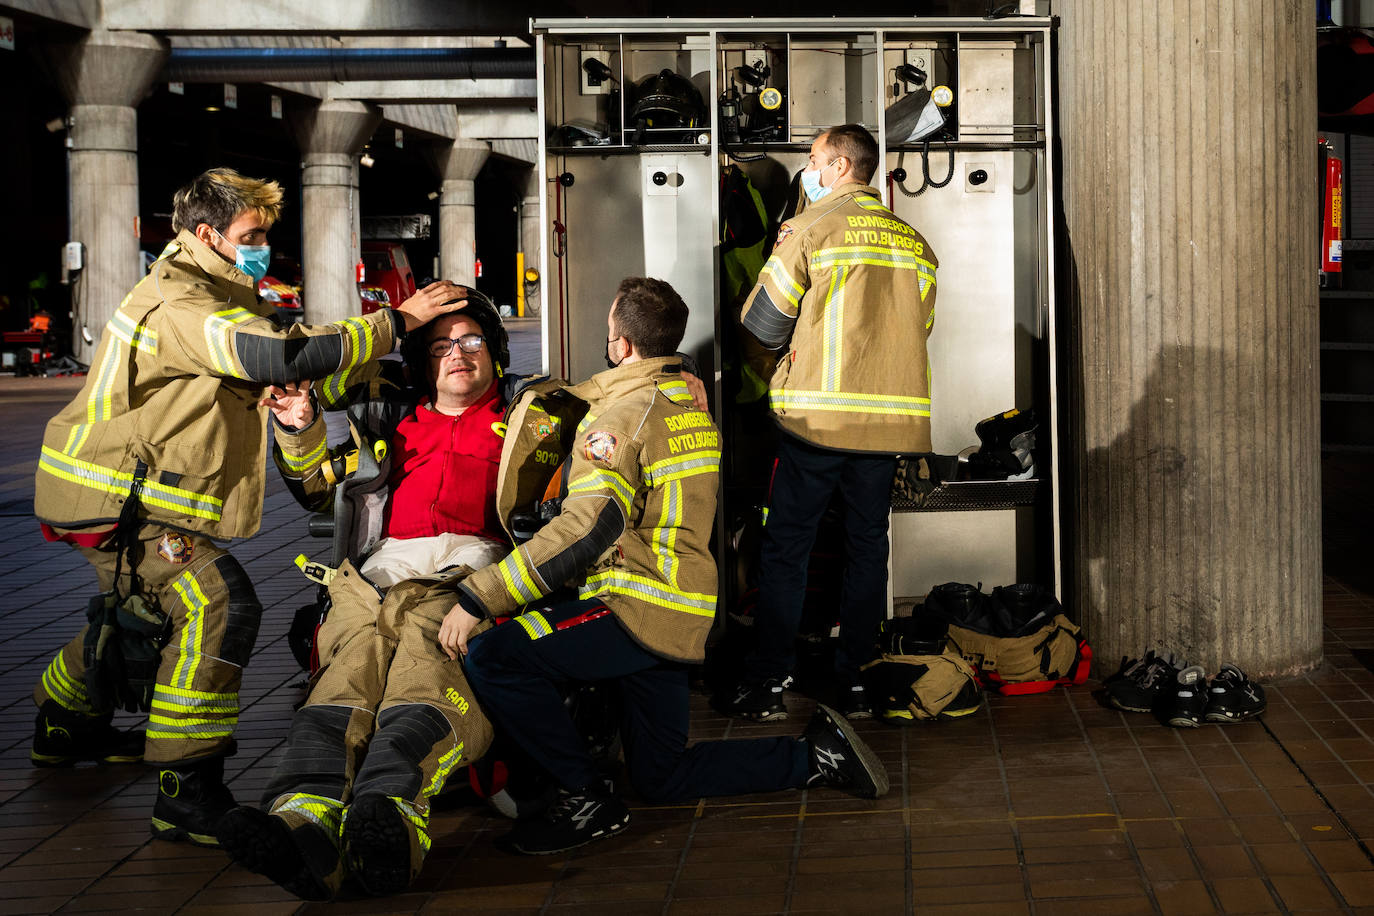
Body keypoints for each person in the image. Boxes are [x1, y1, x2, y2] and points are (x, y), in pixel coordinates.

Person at [28, 166, 469, 848]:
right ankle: (187, 791)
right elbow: (276, 358)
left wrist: (295, 420)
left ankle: (63, 719)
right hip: (126, 497)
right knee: (217, 603)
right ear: (207, 235)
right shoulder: (181, 301)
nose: (263, 245)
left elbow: (297, 442)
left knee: (139, 614)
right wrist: (395, 322)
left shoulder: (210, 291)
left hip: (122, 495)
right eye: (252, 234)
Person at [438, 276, 890, 857]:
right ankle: (814, 755)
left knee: (496, 657)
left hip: (633, 605)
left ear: (622, 345)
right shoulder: (684, 400)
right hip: (681, 606)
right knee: (662, 775)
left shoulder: (622, 418)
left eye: (609, 333)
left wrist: (480, 599)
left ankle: (584, 795)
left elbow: (589, 527)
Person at [720, 124, 939, 722]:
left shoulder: (809, 228)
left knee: (788, 550)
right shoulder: (914, 244)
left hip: (815, 424)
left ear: (841, 166)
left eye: (814, 158)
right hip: (888, 430)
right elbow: (916, 331)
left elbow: (763, 323)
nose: (807, 169)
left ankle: (768, 681)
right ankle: (857, 682)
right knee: (867, 550)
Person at [271, 296, 513, 587]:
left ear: (494, 353)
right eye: (441, 347)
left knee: (429, 614)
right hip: (393, 552)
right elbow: (317, 493)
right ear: (424, 365)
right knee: (353, 620)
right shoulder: (387, 421)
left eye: (471, 342)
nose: (457, 356)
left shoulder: (521, 418)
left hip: (477, 550)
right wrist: (300, 430)